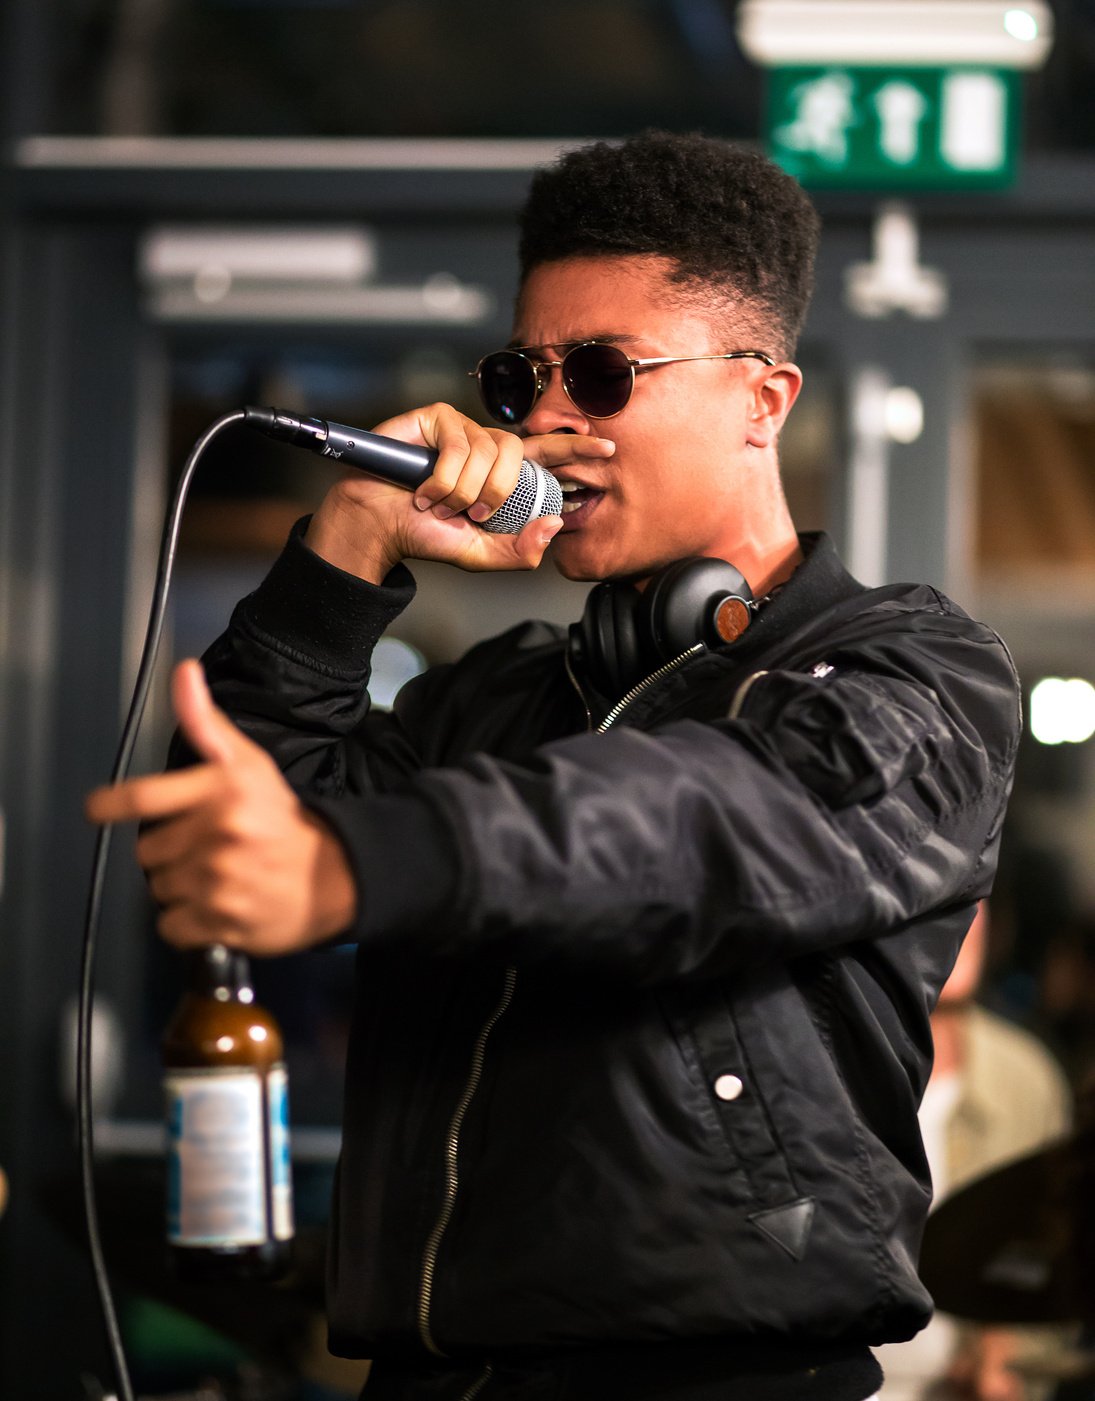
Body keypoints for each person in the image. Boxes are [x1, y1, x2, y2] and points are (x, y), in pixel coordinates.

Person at [87, 131, 1023, 1401]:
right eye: (521, 373)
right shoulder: (503, 695)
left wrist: (357, 860)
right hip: (430, 1373)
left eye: (601, 371)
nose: (544, 416)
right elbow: (236, 829)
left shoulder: (913, 675)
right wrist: (347, 544)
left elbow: (696, 825)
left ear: (764, 400)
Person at [873, 901, 1073, 1401]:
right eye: (945, 886)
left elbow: (1056, 1260)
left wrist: (1007, 1356)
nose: (969, 913)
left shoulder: (1023, 1075)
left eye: (978, 893)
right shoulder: (819, 1063)